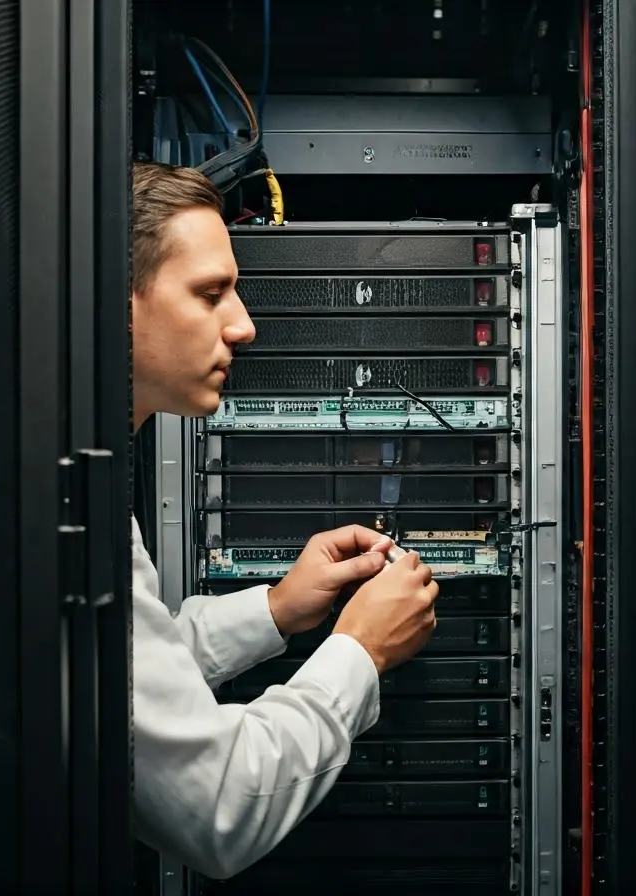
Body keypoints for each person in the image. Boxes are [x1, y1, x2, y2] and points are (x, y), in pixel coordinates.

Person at [129, 162, 440, 879]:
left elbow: (116, 677)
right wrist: (360, 648)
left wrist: (273, 611)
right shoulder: (65, 504)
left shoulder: (68, 476)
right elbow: (216, 806)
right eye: (210, 295)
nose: (244, 326)